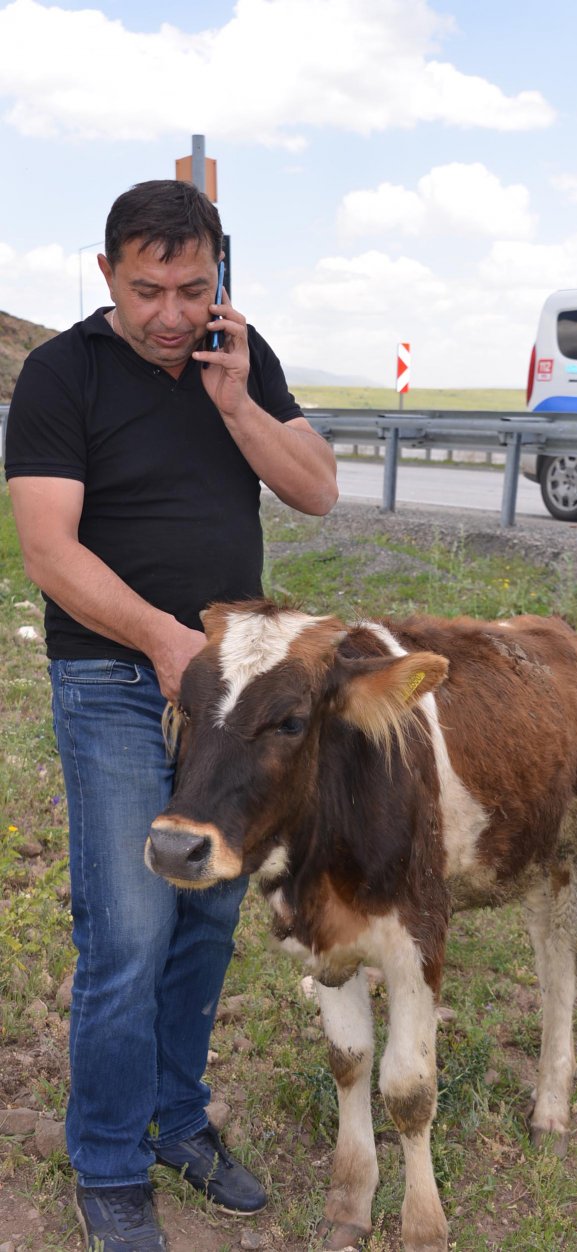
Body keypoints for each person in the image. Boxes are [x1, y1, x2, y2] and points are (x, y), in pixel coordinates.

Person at [5, 179, 338, 1251]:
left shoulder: (235, 354)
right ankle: (106, 1157)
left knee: (206, 912)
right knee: (131, 928)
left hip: (227, 700)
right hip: (113, 683)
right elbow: (48, 548)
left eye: (191, 288)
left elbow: (318, 491)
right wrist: (161, 641)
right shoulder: (61, 375)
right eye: (146, 288)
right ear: (106, 275)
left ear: (219, 277)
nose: (169, 312)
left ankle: (174, 1119)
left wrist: (237, 400)